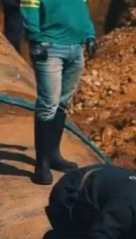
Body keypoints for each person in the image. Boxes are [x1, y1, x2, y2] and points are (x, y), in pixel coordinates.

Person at [20, 0, 98, 185]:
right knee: (48, 104)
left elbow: (82, 10)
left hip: (76, 48)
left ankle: (54, 155)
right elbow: (29, 8)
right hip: (50, 48)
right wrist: (35, 38)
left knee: (63, 103)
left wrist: (90, 34)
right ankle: (42, 166)